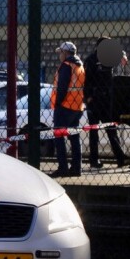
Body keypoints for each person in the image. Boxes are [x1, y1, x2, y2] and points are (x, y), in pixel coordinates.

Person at [86, 36, 128, 168]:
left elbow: (120, 54)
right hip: (94, 100)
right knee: (94, 132)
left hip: (106, 100)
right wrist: (88, 97)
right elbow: (86, 80)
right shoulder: (91, 60)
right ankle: (94, 160)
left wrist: (123, 55)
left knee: (111, 130)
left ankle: (121, 158)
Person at [49, 41, 85, 178]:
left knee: (58, 136)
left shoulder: (66, 66)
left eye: (60, 52)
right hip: (77, 107)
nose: (59, 55)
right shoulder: (80, 66)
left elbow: (62, 87)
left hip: (65, 106)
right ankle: (76, 168)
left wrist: (58, 103)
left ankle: (62, 167)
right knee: (74, 136)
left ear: (65, 53)